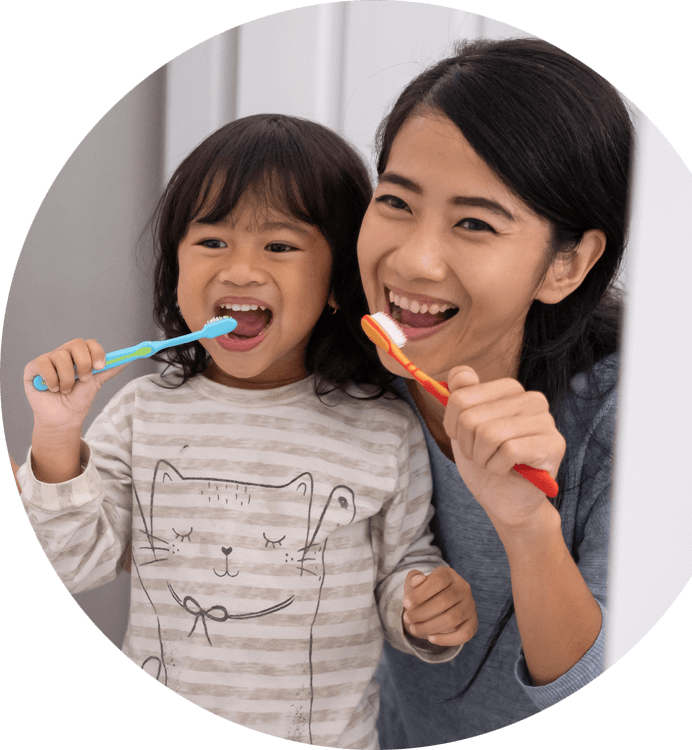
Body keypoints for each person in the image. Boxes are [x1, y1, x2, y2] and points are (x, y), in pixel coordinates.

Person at [17, 114, 478, 747]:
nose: (240, 271)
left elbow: (401, 567)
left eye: (280, 246)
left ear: (339, 283)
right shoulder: (142, 414)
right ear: (174, 270)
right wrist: (58, 436)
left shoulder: (383, 430)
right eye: (211, 242)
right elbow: (71, 565)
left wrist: (422, 607)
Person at [357, 38, 631, 744]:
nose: (414, 259)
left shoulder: (623, 417)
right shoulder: (347, 370)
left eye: (474, 223)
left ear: (566, 264)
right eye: (395, 201)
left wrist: (524, 523)